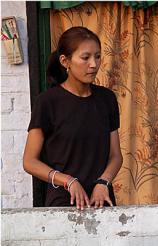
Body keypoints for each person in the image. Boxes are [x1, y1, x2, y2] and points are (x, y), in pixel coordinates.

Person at [23, 26, 123, 210]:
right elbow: (29, 161)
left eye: (98, 56)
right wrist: (68, 181)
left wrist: (103, 182)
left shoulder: (107, 99)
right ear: (65, 61)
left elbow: (116, 156)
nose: (93, 64)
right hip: (63, 202)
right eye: (85, 58)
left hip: (101, 200)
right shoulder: (47, 102)